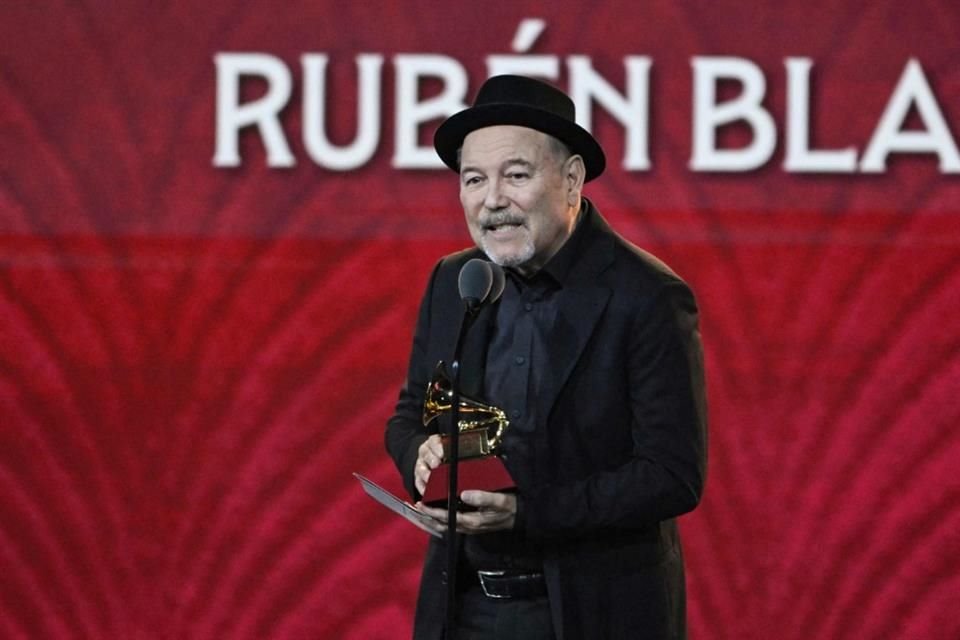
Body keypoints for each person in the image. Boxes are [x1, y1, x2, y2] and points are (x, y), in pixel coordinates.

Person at [385, 74, 707, 640]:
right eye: (474, 179)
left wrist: (528, 513)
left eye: (516, 175)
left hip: (591, 613)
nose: (492, 201)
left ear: (572, 180)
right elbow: (412, 413)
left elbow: (671, 476)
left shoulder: (647, 296)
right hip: (463, 609)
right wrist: (422, 459)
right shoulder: (454, 280)